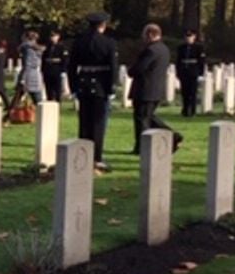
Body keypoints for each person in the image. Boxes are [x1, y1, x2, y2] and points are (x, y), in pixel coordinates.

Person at [66, 11, 119, 171]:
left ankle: (83, 153)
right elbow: (113, 67)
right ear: (103, 25)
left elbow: (72, 67)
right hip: (100, 85)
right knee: (98, 124)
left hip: (83, 84)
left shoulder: (79, 42)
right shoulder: (108, 43)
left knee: (84, 121)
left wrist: (73, 86)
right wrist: (112, 87)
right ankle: (96, 157)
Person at [130, 23, 181, 154]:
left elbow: (140, 68)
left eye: (144, 35)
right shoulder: (164, 49)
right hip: (155, 89)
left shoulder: (151, 50)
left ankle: (142, 147)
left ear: (151, 35)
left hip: (145, 89)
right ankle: (172, 136)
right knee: (148, 117)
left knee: (142, 119)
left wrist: (131, 70)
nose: (143, 38)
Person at [175, 29, 205, 117]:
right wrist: (178, 72)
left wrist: (200, 73)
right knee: (185, 92)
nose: (188, 38)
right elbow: (178, 61)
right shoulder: (181, 48)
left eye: (190, 36)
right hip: (184, 72)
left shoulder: (199, 47)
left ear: (194, 37)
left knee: (193, 93)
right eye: (187, 37)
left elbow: (201, 61)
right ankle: (185, 110)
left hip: (193, 72)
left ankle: (193, 111)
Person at [14, 31, 45, 106]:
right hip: (36, 75)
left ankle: (10, 113)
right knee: (38, 100)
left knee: (17, 98)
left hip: (27, 75)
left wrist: (23, 79)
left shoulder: (27, 49)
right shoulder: (37, 49)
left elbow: (28, 64)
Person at [42, 29, 68, 102]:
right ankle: (50, 103)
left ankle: (58, 104)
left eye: (54, 36)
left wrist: (63, 70)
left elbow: (64, 59)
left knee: (57, 90)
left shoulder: (61, 47)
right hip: (48, 71)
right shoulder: (47, 47)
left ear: (58, 37)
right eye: (51, 36)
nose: (52, 38)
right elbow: (44, 59)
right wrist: (43, 70)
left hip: (57, 70)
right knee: (49, 89)